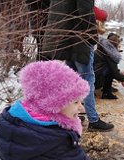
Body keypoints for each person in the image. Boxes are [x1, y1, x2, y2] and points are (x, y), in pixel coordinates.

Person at [41, 0, 114, 131]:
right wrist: (92, 37)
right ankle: (93, 120)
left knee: (71, 79)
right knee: (87, 80)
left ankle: (71, 114)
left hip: (63, 37)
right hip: (80, 39)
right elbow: (85, 12)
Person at [94, 32, 124, 99]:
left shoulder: (102, 49)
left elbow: (108, 67)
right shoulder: (110, 55)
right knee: (110, 73)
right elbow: (115, 74)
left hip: (91, 78)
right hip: (94, 82)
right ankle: (106, 93)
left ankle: (106, 92)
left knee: (109, 71)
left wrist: (119, 71)